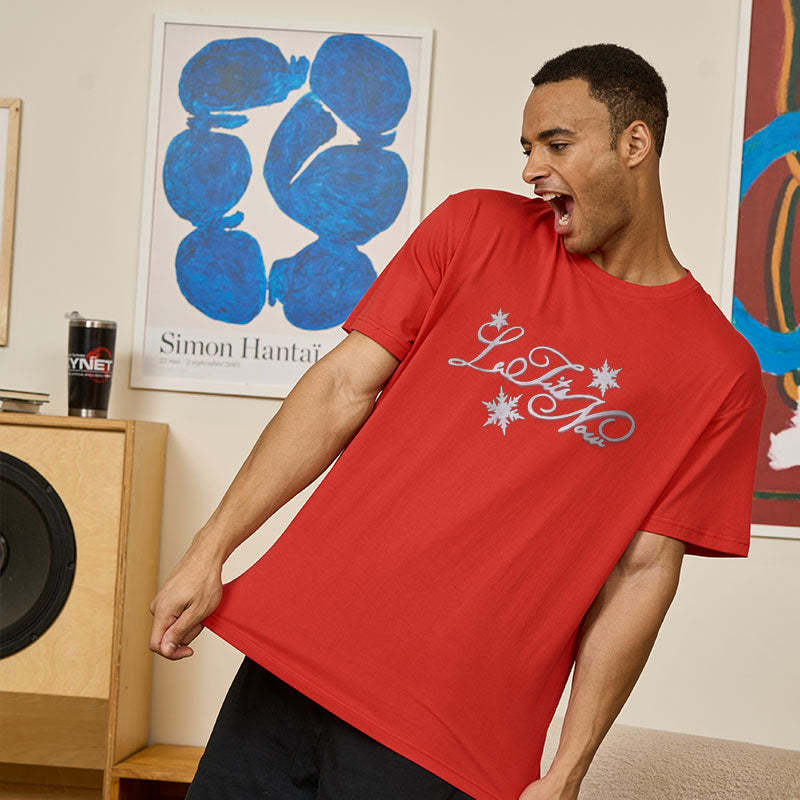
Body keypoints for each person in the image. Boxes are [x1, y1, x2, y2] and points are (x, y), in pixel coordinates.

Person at [149, 43, 766, 800]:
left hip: (447, 732)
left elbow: (643, 574)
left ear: (634, 143)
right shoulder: (474, 226)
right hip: (295, 659)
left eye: (557, 144)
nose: (532, 168)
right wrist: (209, 549)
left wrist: (568, 768)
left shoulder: (716, 368)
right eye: (527, 147)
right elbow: (341, 387)